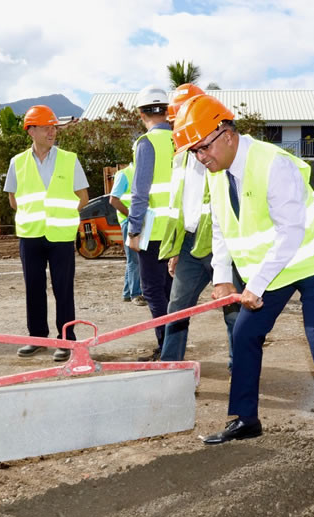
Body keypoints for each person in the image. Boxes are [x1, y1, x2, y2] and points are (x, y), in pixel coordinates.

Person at [173, 95, 314, 497]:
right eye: (194, 152)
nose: (199, 157)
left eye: (202, 147)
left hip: (313, 261)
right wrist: (223, 278)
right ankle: (245, 419)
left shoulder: (273, 163)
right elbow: (223, 227)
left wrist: (253, 287)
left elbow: (291, 232)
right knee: (243, 337)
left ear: (226, 134)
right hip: (271, 271)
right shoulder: (216, 170)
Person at [159, 83, 240, 367]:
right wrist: (175, 248)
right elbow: (178, 206)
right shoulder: (181, 156)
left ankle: (239, 366)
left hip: (225, 243)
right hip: (191, 243)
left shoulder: (221, 149)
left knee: (232, 310)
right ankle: (170, 366)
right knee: (177, 308)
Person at [6, 105, 89, 363]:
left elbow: (83, 198)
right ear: (31, 131)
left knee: (63, 289)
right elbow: (13, 200)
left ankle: (66, 341)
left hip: (61, 237)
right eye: (46, 127)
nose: (52, 132)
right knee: (34, 288)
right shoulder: (17, 163)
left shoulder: (69, 159)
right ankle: (38, 338)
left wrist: (60, 215)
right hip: (31, 236)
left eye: (54, 127)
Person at [127, 86, 175, 360]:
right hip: (177, 229)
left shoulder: (146, 143)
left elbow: (140, 191)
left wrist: (134, 229)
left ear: (141, 113)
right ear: (166, 111)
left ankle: (167, 347)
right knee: (170, 292)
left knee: (152, 291)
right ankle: (172, 345)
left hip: (154, 230)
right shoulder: (181, 140)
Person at [108, 163, 146, 305]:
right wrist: (131, 216)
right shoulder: (124, 174)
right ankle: (135, 294)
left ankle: (127, 293)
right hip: (129, 222)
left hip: (135, 221)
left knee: (133, 258)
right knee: (134, 259)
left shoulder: (142, 172)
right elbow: (113, 200)